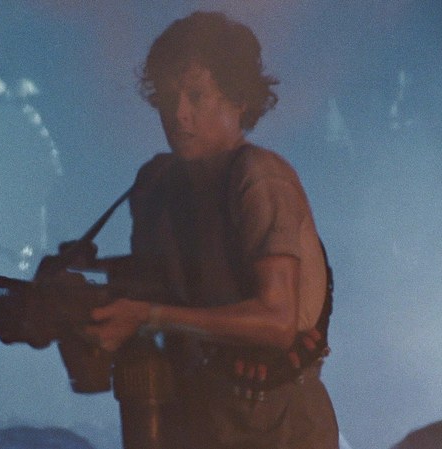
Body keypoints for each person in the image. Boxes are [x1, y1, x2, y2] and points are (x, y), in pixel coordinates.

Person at [84, 11, 338, 449]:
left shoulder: (259, 178)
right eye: (168, 98)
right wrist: (86, 277)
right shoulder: (158, 183)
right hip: (198, 416)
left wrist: (149, 316)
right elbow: (166, 279)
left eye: (196, 96)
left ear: (238, 99)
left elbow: (277, 321)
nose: (178, 114)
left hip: (279, 428)